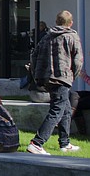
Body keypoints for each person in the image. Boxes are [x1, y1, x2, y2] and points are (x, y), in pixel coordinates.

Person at [28, 10, 83, 155]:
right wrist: (72, 76)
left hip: (46, 78)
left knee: (65, 108)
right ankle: (37, 142)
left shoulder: (46, 37)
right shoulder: (72, 36)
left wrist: (37, 75)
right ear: (70, 23)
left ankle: (65, 143)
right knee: (57, 110)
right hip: (62, 78)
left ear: (57, 22)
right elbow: (78, 61)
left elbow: (34, 57)